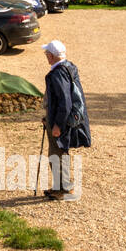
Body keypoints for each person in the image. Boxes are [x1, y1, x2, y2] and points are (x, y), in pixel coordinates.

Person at [41, 39, 91, 200]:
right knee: (60, 153)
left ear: (52, 56)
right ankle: (61, 186)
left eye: (47, 54)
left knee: (57, 155)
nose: (46, 56)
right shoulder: (69, 67)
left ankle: (62, 190)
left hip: (60, 122)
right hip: (60, 119)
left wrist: (57, 125)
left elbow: (64, 102)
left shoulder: (57, 74)